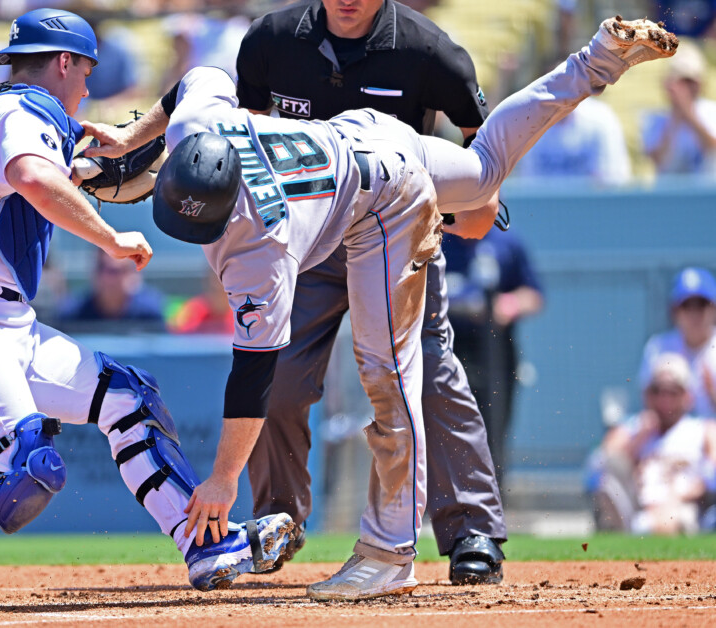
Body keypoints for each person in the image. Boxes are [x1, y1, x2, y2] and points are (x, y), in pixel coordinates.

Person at [81, 16, 678, 600]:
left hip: (385, 205)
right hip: (366, 131)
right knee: (484, 170)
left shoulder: (260, 246)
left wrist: (223, 478)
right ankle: (595, 60)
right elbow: (199, 77)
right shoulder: (194, 125)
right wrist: (133, 136)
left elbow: (255, 374)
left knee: (388, 373)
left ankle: (392, 554)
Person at [0, 8, 294, 611]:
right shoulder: (21, 110)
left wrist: (107, 160)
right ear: (64, 61)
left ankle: (199, 540)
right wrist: (112, 237)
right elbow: (31, 176)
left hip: (0, 319)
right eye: (85, 70)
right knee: (27, 469)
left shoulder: (16, 113)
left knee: (127, 396)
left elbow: (46, 174)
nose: (88, 85)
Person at [232, 0, 508, 585]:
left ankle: (470, 530)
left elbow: (483, 153)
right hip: (308, 240)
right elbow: (244, 138)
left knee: (429, 368)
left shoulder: (430, 51)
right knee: (275, 374)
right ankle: (276, 519)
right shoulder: (270, 41)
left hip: (396, 231)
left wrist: (473, 208)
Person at [442, 227, 544, 485]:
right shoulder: (435, 241)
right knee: (444, 428)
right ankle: (439, 505)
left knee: (492, 428)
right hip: (446, 346)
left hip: (494, 349)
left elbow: (534, 294)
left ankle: (491, 505)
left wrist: (510, 304)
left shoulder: (505, 242)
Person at [589, 352, 716, 534]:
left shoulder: (703, 429)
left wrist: (681, 495)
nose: (664, 399)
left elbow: (712, 474)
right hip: (639, 509)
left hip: (684, 508)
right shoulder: (636, 428)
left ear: (687, 395)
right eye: (657, 390)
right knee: (609, 472)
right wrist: (640, 439)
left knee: (676, 520)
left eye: (673, 391)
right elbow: (599, 464)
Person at [639, 267, 716, 418]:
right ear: (674, 311)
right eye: (687, 306)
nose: (695, 314)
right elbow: (649, 405)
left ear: (713, 308)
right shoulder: (658, 347)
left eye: (701, 305)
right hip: (672, 436)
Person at [643, 41, 716, 176]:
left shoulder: (712, 110)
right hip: (671, 195)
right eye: (681, 81)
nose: (686, 87)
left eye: (689, 81)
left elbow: (712, 149)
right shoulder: (655, 119)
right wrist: (675, 116)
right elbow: (658, 159)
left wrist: (687, 112)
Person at [58, 250, 166, 333]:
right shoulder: (72, 313)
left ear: (133, 274)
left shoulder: (151, 312)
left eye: (117, 271)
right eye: (104, 269)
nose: (109, 278)